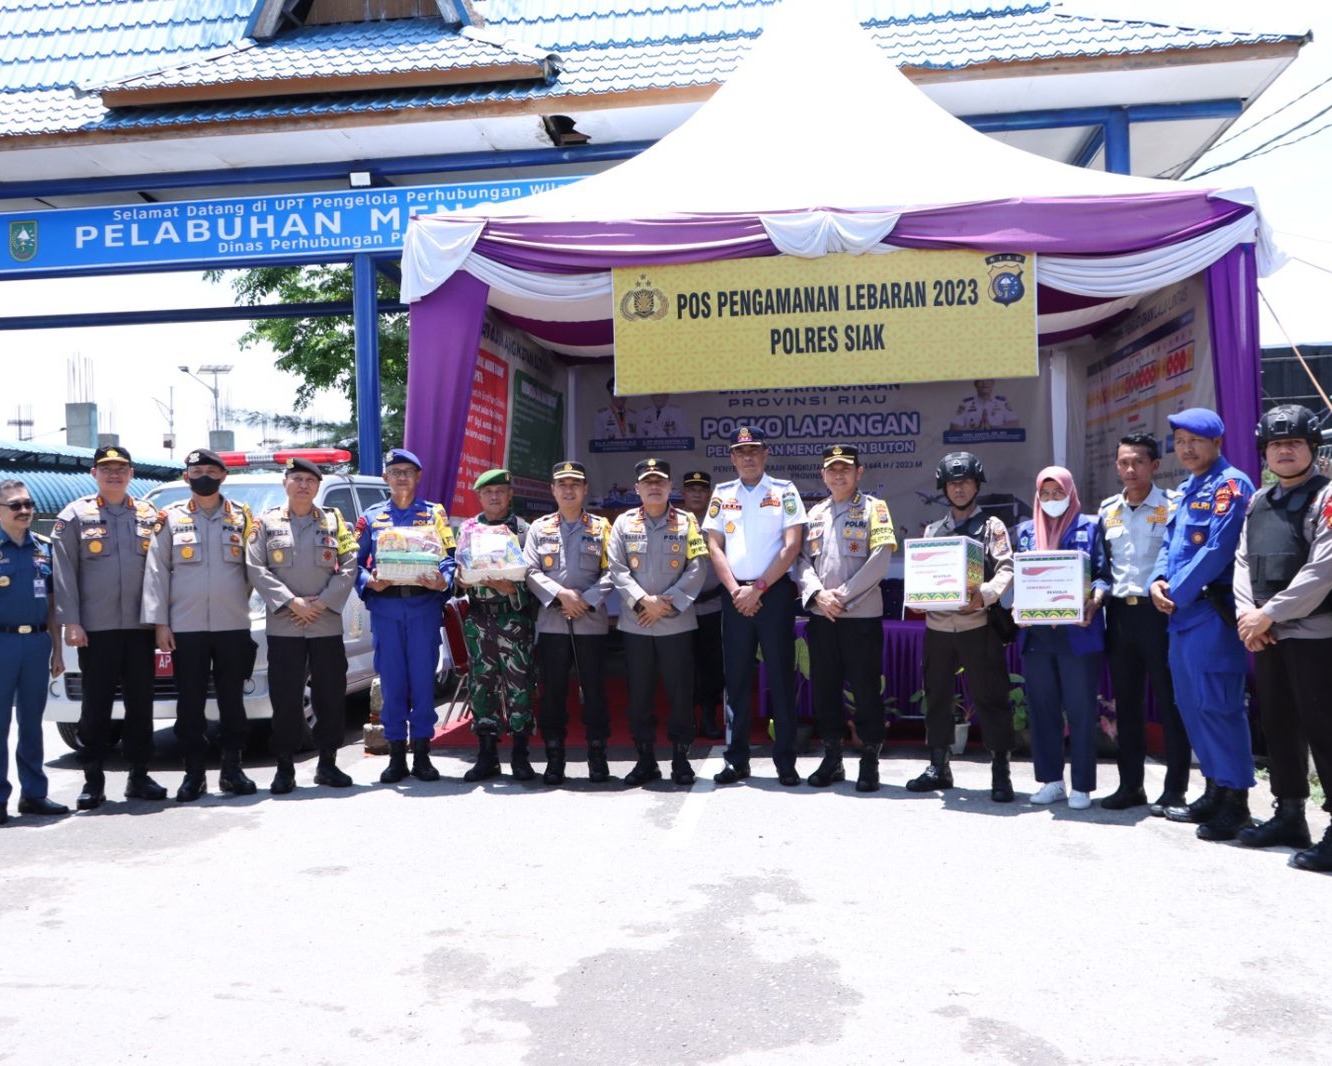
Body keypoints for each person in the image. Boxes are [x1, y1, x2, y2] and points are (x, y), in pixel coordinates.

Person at [1150, 407, 1257, 841]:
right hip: (1181, 618)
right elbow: (1169, 544)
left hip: (1211, 615)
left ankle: (1236, 800)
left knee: (1220, 706)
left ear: (1217, 442)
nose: (1187, 448)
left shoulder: (1232, 485)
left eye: (1195, 440)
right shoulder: (1187, 488)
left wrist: (1173, 590)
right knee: (1191, 705)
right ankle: (1214, 788)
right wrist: (1156, 580)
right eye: (1180, 441)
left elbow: (1216, 551)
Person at [1233, 405, 1332, 872]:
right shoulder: (1257, 502)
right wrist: (1247, 616)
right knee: (1279, 726)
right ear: (1265, 452)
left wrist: (1267, 615)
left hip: (1315, 635)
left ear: (1312, 448)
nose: (1284, 450)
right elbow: (1242, 562)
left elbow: (1323, 569)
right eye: (1276, 444)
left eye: (1294, 443)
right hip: (1267, 635)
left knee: (1325, 731)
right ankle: (1289, 813)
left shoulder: (1326, 497)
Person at [52, 445, 167, 810]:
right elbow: (64, 572)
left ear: (132, 474)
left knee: (140, 703)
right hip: (96, 629)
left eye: (121, 469)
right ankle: (93, 779)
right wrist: (71, 621)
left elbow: (164, 572)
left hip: (140, 627)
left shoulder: (151, 516)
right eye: (107, 469)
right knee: (96, 705)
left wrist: (162, 621)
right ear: (94, 474)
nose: (114, 475)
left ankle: (139, 774)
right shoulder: (75, 516)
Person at [142, 448, 257, 802]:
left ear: (223, 476)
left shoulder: (242, 518)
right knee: (189, 703)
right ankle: (193, 773)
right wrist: (160, 623)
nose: (204, 475)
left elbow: (254, 569)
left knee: (233, 701)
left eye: (211, 470)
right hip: (185, 628)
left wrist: (238, 602)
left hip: (232, 624)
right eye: (197, 470)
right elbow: (157, 571)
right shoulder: (170, 518)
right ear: (185, 477)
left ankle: (232, 769)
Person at [906, 452, 1017, 802]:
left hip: (977, 623)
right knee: (937, 696)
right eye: (953, 483)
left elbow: (1006, 568)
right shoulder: (933, 530)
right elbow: (924, 574)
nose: (959, 488)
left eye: (965, 481)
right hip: (939, 626)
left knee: (990, 697)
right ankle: (939, 765)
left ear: (977, 484)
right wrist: (916, 596)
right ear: (943, 487)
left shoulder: (992, 527)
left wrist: (984, 594)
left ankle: (1001, 769)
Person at [701, 426, 806, 786]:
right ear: (732, 457)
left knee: (779, 676)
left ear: (765, 454)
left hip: (773, 594)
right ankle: (736, 759)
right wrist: (735, 591)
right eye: (740, 452)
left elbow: (792, 546)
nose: (747, 457)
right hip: (735, 597)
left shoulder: (784, 491)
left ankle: (786, 761)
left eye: (754, 451)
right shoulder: (722, 493)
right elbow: (714, 546)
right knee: (737, 678)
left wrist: (758, 588)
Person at [246, 457, 358, 794]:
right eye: (297, 478)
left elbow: (350, 562)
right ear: (285, 483)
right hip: (285, 624)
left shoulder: (335, 522)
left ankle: (328, 764)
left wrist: (323, 601)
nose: (304, 485)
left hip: (325, 623)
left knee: (329, 695)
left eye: (310, 480)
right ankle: (284, 767)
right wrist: (291, 602)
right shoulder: (265, 523)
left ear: (318, 486)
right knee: (286, 698)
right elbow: (255, 567)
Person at [1097, 434, 1191, 813]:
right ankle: (1130, 785)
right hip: (1120, 615)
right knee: (1128, 704)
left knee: (1171, 702)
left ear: (1154, 465)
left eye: (1137, 462)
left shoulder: (1173, 506)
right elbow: (1102, 566)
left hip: (1160, 614)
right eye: (1123, 462)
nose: (1130, 469)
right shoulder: (1107, 510)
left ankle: (1175, 789)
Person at [794, 445, 896, 791]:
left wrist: (843, 595)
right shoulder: (815, 513)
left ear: (859, 472)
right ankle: (832, 758)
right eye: (832, 470)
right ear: (823, 474)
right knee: (824, 689)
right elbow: (802, 562)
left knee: (866, 689)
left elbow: (881, 559)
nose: (839, 475)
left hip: (860, 616)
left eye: (845, 469)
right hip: (823, 615)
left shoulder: (874, 509)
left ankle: (869, 760)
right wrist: (818, 594)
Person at [355, 448, 455, 785]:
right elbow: (354, 564)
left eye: (408, 472)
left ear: (418, 477)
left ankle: (423, 753)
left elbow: (449, 558)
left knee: (424, 681)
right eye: (395, 471)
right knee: (393, 680)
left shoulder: (434, 515)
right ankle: (397, 754)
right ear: (385, 477)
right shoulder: (370, 519)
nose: (401, 477)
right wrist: (370, 582)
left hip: (423, 605)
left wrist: (445, 579)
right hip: (386, 607)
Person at [1013, 466, 1110, 810]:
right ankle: (1051, 781)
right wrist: (1016, 608)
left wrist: (1094, 602)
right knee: (1042, 709)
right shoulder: (1024, 531)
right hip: (1037, 636)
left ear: (1070, 494)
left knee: (1082, 709)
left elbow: (1103, 575)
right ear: (1038, 496)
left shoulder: (1091, 526)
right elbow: (1017, 578)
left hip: (1078, 635)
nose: (1052, 500)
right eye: (1046, 494)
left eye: (1059, 494)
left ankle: (1082, 785)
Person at [607, 459, 707, 786]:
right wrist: (642, 601)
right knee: (639, 696)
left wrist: (667, 603)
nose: (654, 487)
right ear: (636, 488)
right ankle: (645, 760)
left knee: (681, 694)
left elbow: (698, 567)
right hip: (637, 623)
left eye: (660, 482)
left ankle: (681, 759)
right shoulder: (623, 523)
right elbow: (617, 569)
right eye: (647, 482)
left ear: (669, 487)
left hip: (675, 623)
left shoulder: (688, 522)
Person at [524, 461, 613, 784]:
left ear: (585, 488)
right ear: (553, 490)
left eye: (575, 484)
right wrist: (562, 595)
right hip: (552, 621)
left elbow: (614, 570)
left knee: (594, 692)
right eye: (562, 484)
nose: (569, 489)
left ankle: (597, 756)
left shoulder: (603, 528)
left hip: (590, 621)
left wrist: (585, 599)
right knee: (552, 694)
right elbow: (530, 571)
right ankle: (554, 757)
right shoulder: (539, 528)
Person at [452, 468, 536, 782]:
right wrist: (459, 581)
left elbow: (536, 579)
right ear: (480, 496)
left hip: (512, 616)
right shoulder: (469, 529)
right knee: (481, 685)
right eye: (489, 493)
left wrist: (512, 589)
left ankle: (520, 755)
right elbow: (456, 571)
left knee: (519, 685)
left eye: (501, 491)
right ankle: (486, 754)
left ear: (510, 494)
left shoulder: (523, 530)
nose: (495, 497)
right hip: (479, 616)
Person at [0, 479, 68, 824]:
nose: (24, 510)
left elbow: (53, 605)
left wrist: (57, 651)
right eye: (15, 505)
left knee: (31, 723)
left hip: (37, 643)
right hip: (3, 644)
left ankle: (34, 794)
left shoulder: (43, 549)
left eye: (28, 504)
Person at [681, 470, 725, 740]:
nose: (696, 493)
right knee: (682, 665)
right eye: (691, 489)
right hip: (681, 608)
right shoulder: (674, 522)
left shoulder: (718, 523)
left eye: (701, 489)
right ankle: (685, 717)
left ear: (708, 494)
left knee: (712, 665)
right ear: (683, 493)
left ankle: (709, 716)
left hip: (713, 604)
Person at [950, 379, 1020, 430]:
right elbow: (954, 426)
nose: (984, 383)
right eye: (981, 380)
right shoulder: (966, 404)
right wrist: (976, 430)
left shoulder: (1002, 402)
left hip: (997, 446)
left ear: (993, 383)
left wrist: (994, 428)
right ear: (975, 384)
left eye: (988, 380)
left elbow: (1015, 423)